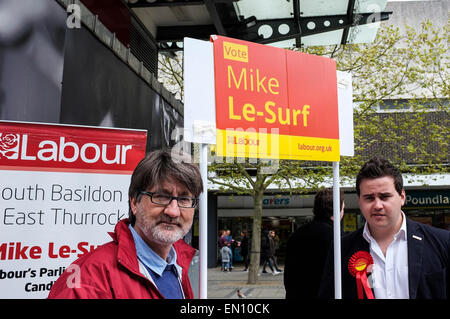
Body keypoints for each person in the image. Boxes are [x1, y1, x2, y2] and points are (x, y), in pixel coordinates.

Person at [48, 149, 203, 299]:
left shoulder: (184, 265)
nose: (173, 211)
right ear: (134, 202)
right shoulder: (88, 278)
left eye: (184, 199)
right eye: (161, 196)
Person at [319, 157, 450, 299]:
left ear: (402, 197)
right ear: (359, 201)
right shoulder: (341, 249)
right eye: (369, 198)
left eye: (384, 197)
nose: (377, 205)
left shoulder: (442, 242)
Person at [284, 187, 344, 299]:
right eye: (343, 208)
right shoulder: (337, 237)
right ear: (337, 210)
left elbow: (288, 276)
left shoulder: (296, 234)